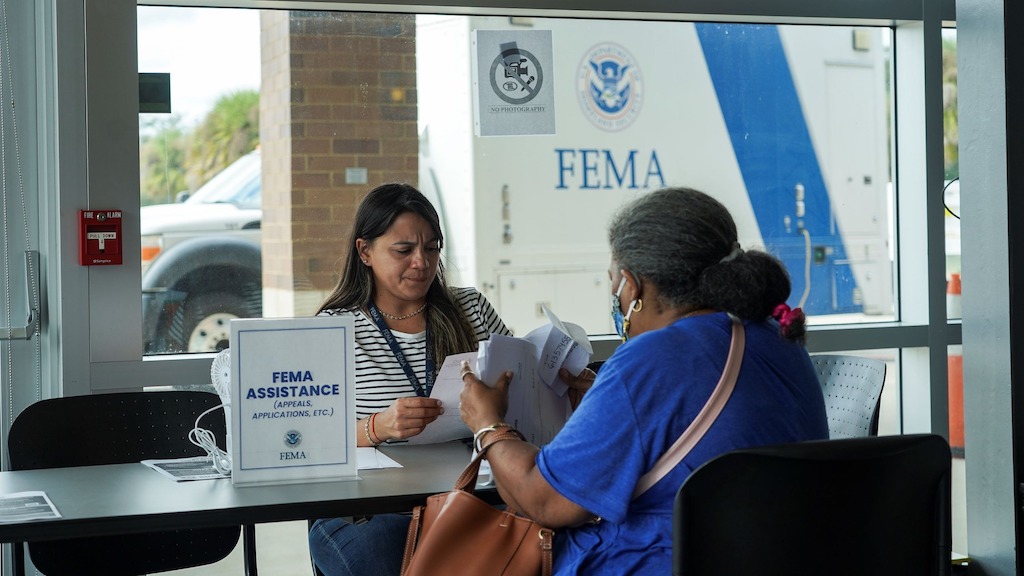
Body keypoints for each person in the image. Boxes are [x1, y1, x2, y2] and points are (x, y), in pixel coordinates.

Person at [459, 186, 829, 575]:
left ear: (632, 285)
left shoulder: (652, 358)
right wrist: (610, 405)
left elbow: (544, 501)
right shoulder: (777, 338)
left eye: (614, 286)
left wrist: (488, 424)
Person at [308, 182, 511, 576]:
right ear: (365, 252)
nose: (422, 262)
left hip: (469, 494)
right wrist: (377, 426)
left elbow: (519, 384)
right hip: (370, 511)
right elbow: (305, 438)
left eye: (432, 248)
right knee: (386, 551)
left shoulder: (470, 307)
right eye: (403, 250)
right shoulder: (334, 329)